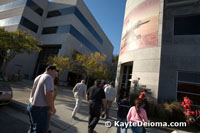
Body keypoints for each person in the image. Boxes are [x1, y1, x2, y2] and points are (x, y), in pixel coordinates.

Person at [27, 65, 57, 133]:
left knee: (32, 128)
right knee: (40, 130)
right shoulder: (48, 77)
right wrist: (52, 107)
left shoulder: (38, 76)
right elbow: (48, 93)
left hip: (31, 106)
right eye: (55, 72)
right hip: (40, 109)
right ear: (50, 70)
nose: (55, 74)